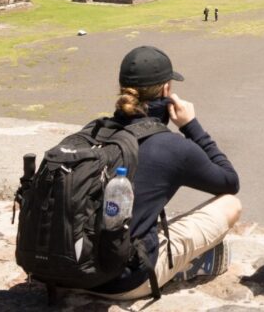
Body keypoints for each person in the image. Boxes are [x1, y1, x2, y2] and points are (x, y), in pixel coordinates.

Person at [90, 46, 241, 299]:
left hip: (69, 269)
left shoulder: (94, 130)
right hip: (121, 282)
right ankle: (184, 267)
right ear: (165, 91)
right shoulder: (171, 146)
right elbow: (229, 181)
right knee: (230, 205)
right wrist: (192, 126)